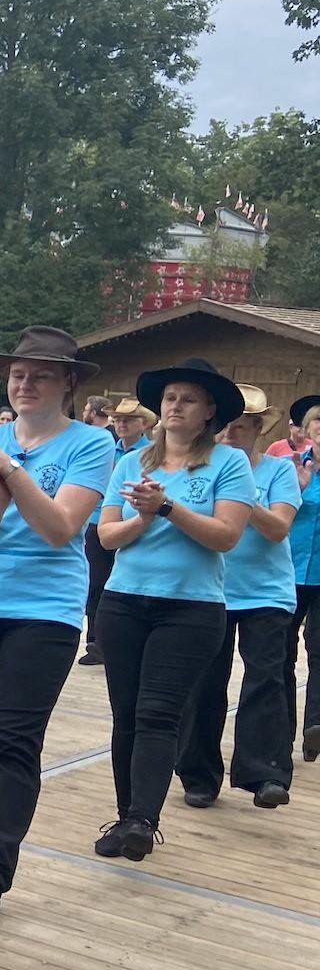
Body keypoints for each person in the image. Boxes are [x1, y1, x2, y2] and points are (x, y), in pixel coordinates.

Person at [0, 328, 113, 927]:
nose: (24, 383)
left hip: (46, 611)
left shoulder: (91, 445)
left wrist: (12, 472)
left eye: (39, 374)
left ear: (69, 382)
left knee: (12, 741)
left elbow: (61, 528)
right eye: (17, 373)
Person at [93, 359, 253, 861]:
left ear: (209, 412)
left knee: (158, 714)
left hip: (190, 607)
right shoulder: (131, 462)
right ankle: (126, 817)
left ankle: (143, 818)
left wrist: (167, 509)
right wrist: (142, 519)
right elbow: (105, 535)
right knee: (125, 715)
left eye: (188, 398)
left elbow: (225, 536)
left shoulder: (228, 464)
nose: (175, 405)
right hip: (123, 603)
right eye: (169, 398)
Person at [175, 385, 299, 810]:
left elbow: (278, 529)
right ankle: (199, 775)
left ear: (258, 430)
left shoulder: (278, 471)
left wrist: (241, 497)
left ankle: (265, 773)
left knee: (266, 678)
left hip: (266, 592)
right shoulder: (200, 468)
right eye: (224, 428)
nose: (229, 437)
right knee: (204, 682)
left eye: (241, 429)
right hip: (211, 589)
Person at [78, 396, 156, 665]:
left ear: (143, 423)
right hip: (98, 520)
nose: (121, 424)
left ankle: (118, 642)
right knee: (96, 582)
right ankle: (95, 642)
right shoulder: (108, 449)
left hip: (134, 524)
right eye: (118, 419)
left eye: (128, 420)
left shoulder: (152, 454)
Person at [286, 393, 320, 763]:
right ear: (307, 430)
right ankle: (281, 730)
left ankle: (315, 727)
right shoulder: (289, 467)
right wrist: (297, 487)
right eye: (318, 421)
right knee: (281, 653)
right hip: (288, 571)